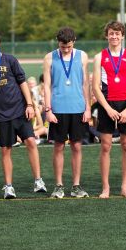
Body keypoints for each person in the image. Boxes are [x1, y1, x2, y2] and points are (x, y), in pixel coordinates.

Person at [0, 30, 47, 199]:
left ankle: (38, 180)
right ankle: (8, 186)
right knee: (6, 149)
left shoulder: (10, 59)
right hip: (2, 115)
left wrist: (29, 104)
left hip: (20, 110)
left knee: (31, 141)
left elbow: (22, 82)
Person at [92, 21, 126, 199]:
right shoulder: (99, 57)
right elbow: (95, 87)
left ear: (122, 36)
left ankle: (124, 187)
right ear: (107, 35)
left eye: (117, 34)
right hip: (107, 105)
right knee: (106, 146)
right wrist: (107, 109)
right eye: (111, 33)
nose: (114, 36)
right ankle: (106, 188)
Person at [42, 27, 91, 199]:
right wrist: (48, 109)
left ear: (74, 41)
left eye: (69, 46)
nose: (66, 50)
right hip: (58, 108)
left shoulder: (83, 56)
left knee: (77, 146)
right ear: (58, 42)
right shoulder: (49, 57)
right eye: (63, 47)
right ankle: (59, 186)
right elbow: (46, 86)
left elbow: (86, 84)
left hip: (78, 108)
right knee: (58, 147)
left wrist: (88, 108)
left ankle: (76, 186)